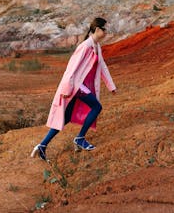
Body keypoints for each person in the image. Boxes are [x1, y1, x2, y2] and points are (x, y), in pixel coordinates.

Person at [31, 17, 117, 161]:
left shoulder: (96, 46)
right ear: (97, 30)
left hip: (80, 85)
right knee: (96, 107)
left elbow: (102, 67)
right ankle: (80, 138)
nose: (106, 33)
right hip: (75, 85)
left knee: (65, 117)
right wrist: (66, 89)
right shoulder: (85, 46)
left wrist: (111, 86)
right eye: (105, 30)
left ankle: (42, 145)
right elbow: (71, 68)